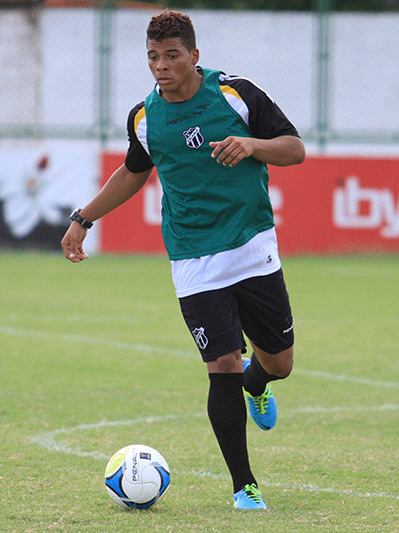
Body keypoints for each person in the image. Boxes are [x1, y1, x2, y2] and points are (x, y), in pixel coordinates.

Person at [61, 9, 305, 510]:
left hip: (253, 248)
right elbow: (132, 172)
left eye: (172, 55)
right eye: (153, 57)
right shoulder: (145, 117)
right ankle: (245, 486)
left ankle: (259, 385)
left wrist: (252, 144)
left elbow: (294, 149)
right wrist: (83, 219)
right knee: (222, 365)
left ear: (194, 56)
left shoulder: (236, 94)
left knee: (278, 363)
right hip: (193, 260)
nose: (161, 65)